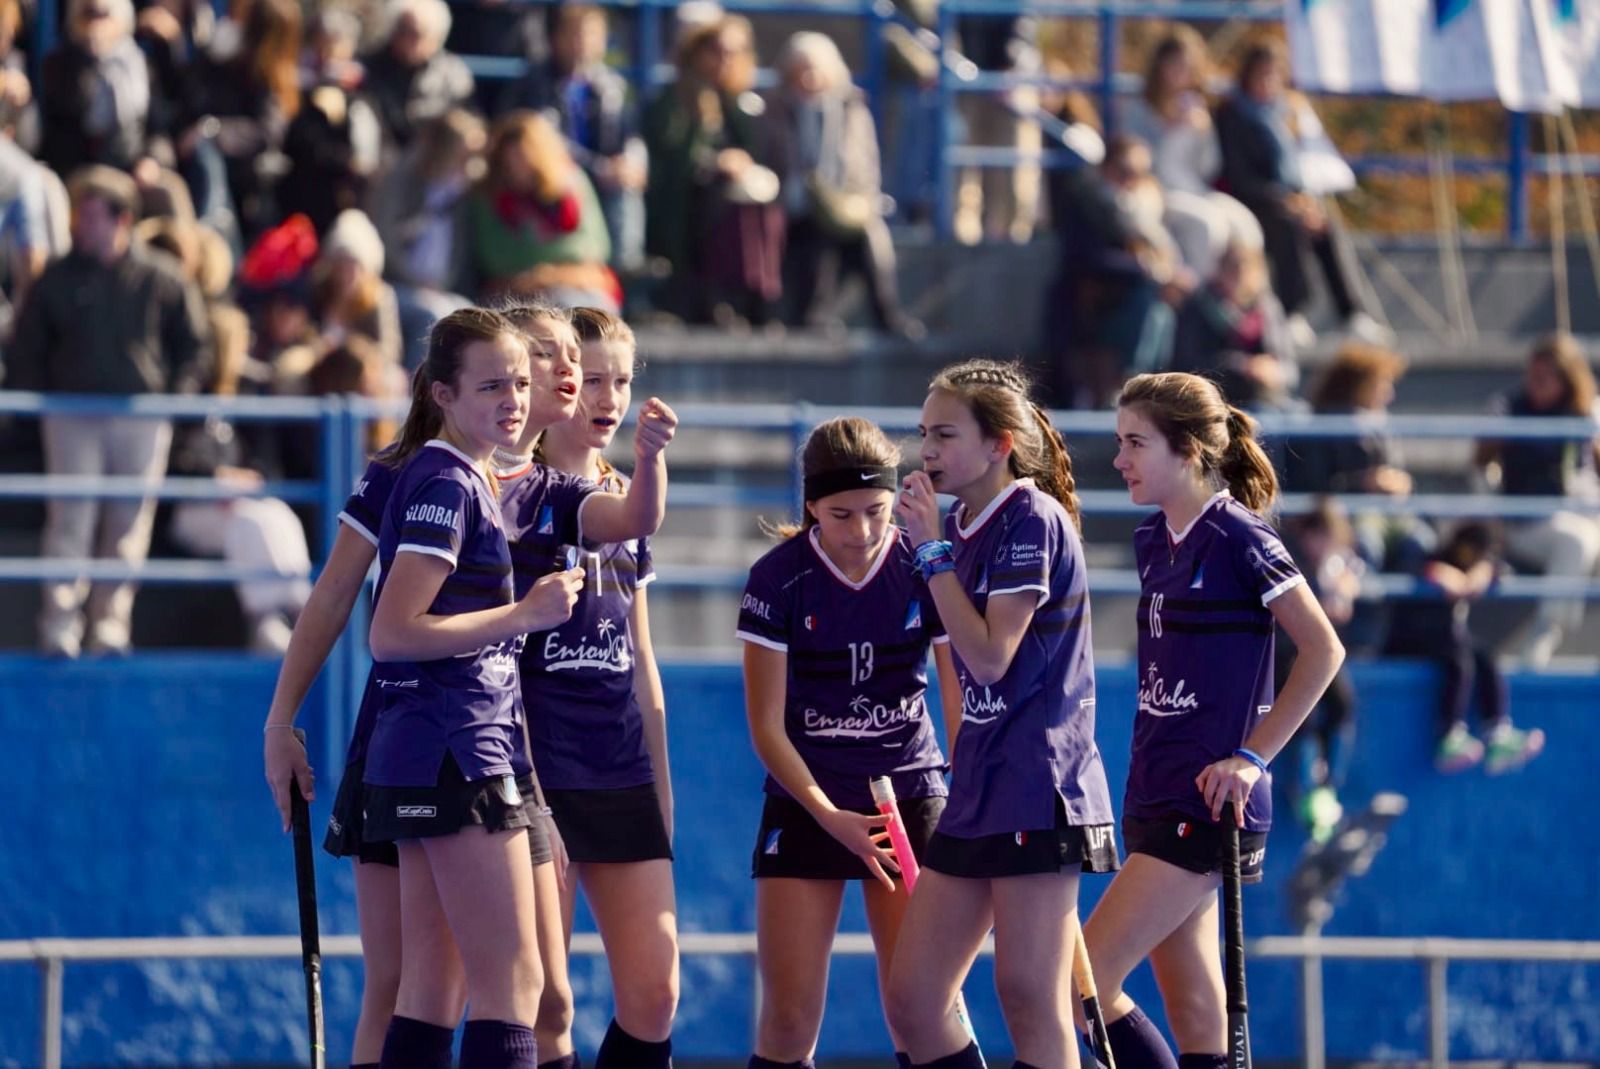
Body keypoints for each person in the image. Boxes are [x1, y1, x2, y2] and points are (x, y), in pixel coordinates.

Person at [1078, 371, 1345, 1069]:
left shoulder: (1238, 535)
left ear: (1190, 450)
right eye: (1119, 441)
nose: (1120, 459)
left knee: (1082, 979)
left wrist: (1251, 757)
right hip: (1155, 788)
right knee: (1198, 1013)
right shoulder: (1152, 540)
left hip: (1207, 803)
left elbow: (1323, 649)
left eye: (1136, 442)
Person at [884, 360, 1118, 1069]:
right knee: (916, 997)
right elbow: (939, 647)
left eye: (946, 434)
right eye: (923, 432)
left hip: (1040, 786)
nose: (927, 450)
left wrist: (930, 550)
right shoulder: (953, 525)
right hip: (980, 786)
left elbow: (987, 655)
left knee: (1026, 991)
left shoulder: (1030, 519)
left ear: (999, 443)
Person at [737, 414, 961, 1068]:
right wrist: (830, 816)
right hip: (810, 802)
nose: (861, 531)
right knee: (787, 1018)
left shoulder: (923, 567)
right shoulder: (778, 578)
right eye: (840, 514)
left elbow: (958, 700)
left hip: (910, 795)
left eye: (876, 510)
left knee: (921, 1010)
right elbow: (766, 727)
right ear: (810, 505)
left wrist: (969, 793)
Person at [514, 307, 678, 1068]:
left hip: (618, 765)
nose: (607, 397)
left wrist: (661, 786)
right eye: (593, 380)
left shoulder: (625, 493)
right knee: (547, 1000)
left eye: (622, 379)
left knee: (655, 993)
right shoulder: (514, 494)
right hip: (539, 764)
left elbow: (642, 661)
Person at [9, 165, 211, 658]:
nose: (81, 224)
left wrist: (175, 402)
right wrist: (36, 402)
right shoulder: (55, 280)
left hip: (140, 418)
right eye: (80, 215)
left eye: (93, 216)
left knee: (127, 524)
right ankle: (59, 626)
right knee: (70, 521)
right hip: (71, 415)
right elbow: (28, 347)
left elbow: (195, 346)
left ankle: (109, 627)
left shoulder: (162, 278)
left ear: (122, 220)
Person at [1213, 42, 1380, 349]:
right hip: (1252, 200)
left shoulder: (1285, 114)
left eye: (1273, 76)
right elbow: (1239, 176)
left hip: (1292, 197)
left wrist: (1305, 200)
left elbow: (1300, 165)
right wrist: (1286, 200)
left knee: (1325, 226)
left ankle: (1352, 313)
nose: (1266, 83)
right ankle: (1293, 311)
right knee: (1286, 225)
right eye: (1260, 75)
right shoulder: (1232, 116)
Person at [767, 32, 917, 337]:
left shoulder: (851, 108)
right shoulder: (775, 110)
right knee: (817, 234)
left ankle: (887, 314)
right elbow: (773, 161)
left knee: (869, 237)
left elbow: (867, 164)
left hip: (845, 202)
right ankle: (813, 314)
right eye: (801, 69)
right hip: (796, 205)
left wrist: (856, 201)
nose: (809, 77)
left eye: (815, 68)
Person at [1473, 334, 1600, 667]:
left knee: (1581, 536)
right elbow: (1480, 467)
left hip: (1579, 516)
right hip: (1525, 521)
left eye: (1544, 378)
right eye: (1532, 375)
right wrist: (1493, 516)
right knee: (1577, 543)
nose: (1534, 385)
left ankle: (1552, 624)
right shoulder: (1507, 409)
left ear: (1565, 379)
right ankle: (1545, 633)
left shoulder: (1585, 414)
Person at [1383, 522, 1546, 775]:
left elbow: (1497, 570)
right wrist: (1441, 575)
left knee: (1484, 657)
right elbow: (1418, 569)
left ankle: (1496, 733)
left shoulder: (1477, 566)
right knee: (1459, 661)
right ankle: (1449, 736)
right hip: (1412, 639)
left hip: (1449, 638)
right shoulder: (1432, 558)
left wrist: (1478, 573)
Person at [497, 3, 647, 271]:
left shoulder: (612, 86)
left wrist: (631, 164)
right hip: (554, 177)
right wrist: (598, 168)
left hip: (605, 176)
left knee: (627, 184)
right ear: (556, 38)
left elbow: (631, 135)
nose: (584, 43)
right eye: (576, 34)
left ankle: (625, 272)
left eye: (593, 35)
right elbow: (543, 142)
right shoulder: (535, 83)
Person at [1118, 28, 1260, 280]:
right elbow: (1135, 166)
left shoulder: (1196, 107)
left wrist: (1205, 134)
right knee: (1207, 226)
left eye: (1188, 67)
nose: (1181, 74)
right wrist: (1167, 131)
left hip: (1196, 189)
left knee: (1245, 225)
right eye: (1175, 65)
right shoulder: (1139, 109)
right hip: (1158, 193)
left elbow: (1209, 168)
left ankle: (1256, 309)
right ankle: (1198, 305)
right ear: (1160, 66)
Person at [467, 110, 619, 312]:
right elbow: (495, 257)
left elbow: (595, 248)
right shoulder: (490, 195)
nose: (517, 170)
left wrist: (547, 275)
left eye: (523, 159)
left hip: (575, 284)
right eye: (509, 162)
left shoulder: (571, 184)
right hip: (513, 290)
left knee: (591, 310)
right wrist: (539, 274)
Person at [1170, 239, 1297, 412]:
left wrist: (1272, 371)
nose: (1240, 274)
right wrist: (1241, 366)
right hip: (1212, 401)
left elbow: (1289, 369)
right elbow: (1186, 364)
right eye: (1233, 267)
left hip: (1265, 399)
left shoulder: (1268, 309)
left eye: (1247, 268)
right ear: (1220, 270)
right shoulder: (1198, 308)